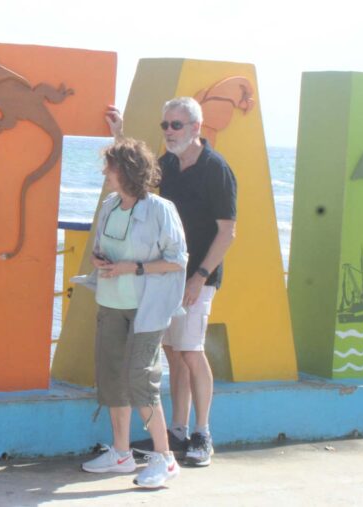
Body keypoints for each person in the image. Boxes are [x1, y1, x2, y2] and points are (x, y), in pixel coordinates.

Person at [107, 98, 236, 467]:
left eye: (176, 125)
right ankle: (176, 429)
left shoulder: (216, 169)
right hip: (167, 274)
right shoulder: (167, 166)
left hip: (199, 276)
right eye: (165, 125)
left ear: (196, 128)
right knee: (172, 351)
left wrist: (199, 277)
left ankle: (202, 433)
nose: (168, 132)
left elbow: (228, 232)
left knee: (192, 350)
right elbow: (135, 176)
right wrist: (119, 136)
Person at [76, 139, 187, 489]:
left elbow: (177, 260)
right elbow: (100, 247)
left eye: (109, 167)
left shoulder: (160, 209)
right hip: (110, 304)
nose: (105, 173)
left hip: (146, 309)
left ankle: (164, 458)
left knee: (141, 379)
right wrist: (99, 261)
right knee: (111, 378)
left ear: (126, 171)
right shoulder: (110, 205)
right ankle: (121, 453)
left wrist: (133, 268)